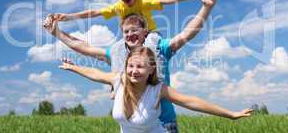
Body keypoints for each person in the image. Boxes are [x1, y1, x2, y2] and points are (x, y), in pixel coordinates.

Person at [43, 0, 218, 132]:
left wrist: (206, 7)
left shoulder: (160, 47)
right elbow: (84, 48)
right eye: (126, 31)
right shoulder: (117, 53)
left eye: (135, 30)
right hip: (132, 126)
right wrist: (57, 33)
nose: (130, 34)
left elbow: (186, 34)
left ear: (145, 32)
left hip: (164, 123)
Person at [58, 47, 253, 133]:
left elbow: (192, 102)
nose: (134, 71)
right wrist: (72, 67)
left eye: (140, 67)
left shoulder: (158, 90)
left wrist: (230, 114)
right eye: (131, 66)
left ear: (151, 69)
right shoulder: (119, 80)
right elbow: (93, 72)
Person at [51, 0, 207, 54]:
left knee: (152, 44)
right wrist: (69, 17)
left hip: (150, 34)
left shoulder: (143, 2)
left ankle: (156, 70)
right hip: (130, 38)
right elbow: (94, 12)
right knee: (118, 50)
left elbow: (165, 0)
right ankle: (116, 83)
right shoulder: (118, 7)